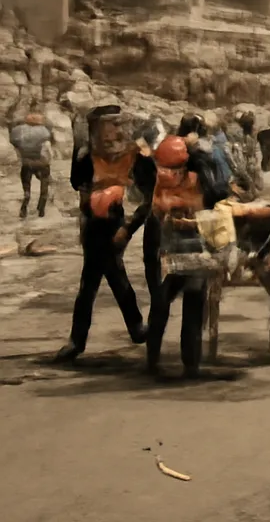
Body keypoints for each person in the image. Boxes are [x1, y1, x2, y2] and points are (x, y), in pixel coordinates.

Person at [55, 106, 149, 362]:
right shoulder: (88, 155)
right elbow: (77, 182)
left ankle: (78, 341)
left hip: (115, 222)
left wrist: (128, 228)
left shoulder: (133, 154)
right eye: (109, 126)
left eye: (117, 126)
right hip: (94, 223)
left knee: (94, 281)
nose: (114, 132)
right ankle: (136, 329)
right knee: (109, 277)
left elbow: (147, 191)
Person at [145, 134, 231, 378]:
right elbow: (156, 209)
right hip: (170, 253)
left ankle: (190, 364)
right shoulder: (161, 183)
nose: (167, 173)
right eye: (163, 168)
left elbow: (215, 205)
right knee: (161, 304)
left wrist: (190, 219)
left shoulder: (200, 180)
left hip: (195, 251)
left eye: (171, 169)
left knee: (191, 306)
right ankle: (153, 360)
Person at [10, 111, 55, 218]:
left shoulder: (19, 131)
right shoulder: (44, 133)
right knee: (45, 184)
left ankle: (25, 203)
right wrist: (50, 161)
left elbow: (15, 146)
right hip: (41, 163)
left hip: (26, 163)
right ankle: (41, 210)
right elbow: (49, 152)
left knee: (26, 185)